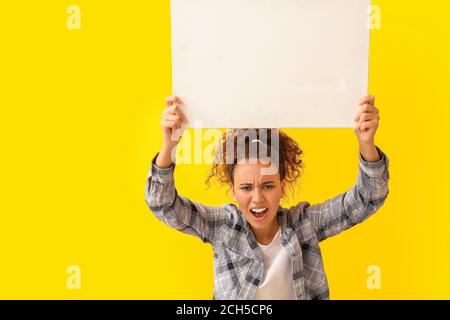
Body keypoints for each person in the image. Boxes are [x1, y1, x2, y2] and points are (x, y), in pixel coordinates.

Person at [145, 95, 390, 300]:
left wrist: (366, 143)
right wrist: (169, 146)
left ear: (282, 187)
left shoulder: (304, 225)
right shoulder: (222, 227)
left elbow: (367, 199)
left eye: (268, 186)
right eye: (246, 187)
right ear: (233, 190)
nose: (258, 198)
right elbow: (163, 204)